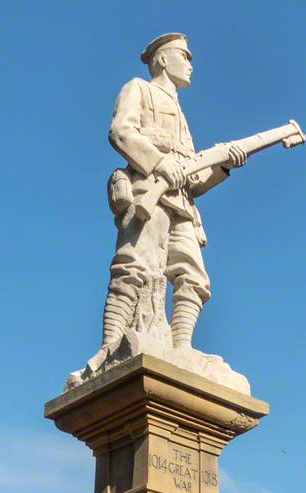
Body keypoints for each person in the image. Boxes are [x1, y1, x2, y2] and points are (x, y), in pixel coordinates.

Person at [80, 32, 246, 379]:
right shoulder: (138, 89)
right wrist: (157, 162)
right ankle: (110, 346)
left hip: (182, 205)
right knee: (131, 268)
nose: (190, 63)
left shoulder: (182, 117)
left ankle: (180, 347)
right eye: (184, 55)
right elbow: (121, 132)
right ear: (162, 59)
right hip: (147, 192)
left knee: (194, 279)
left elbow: (193, 181)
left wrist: (223, 166)